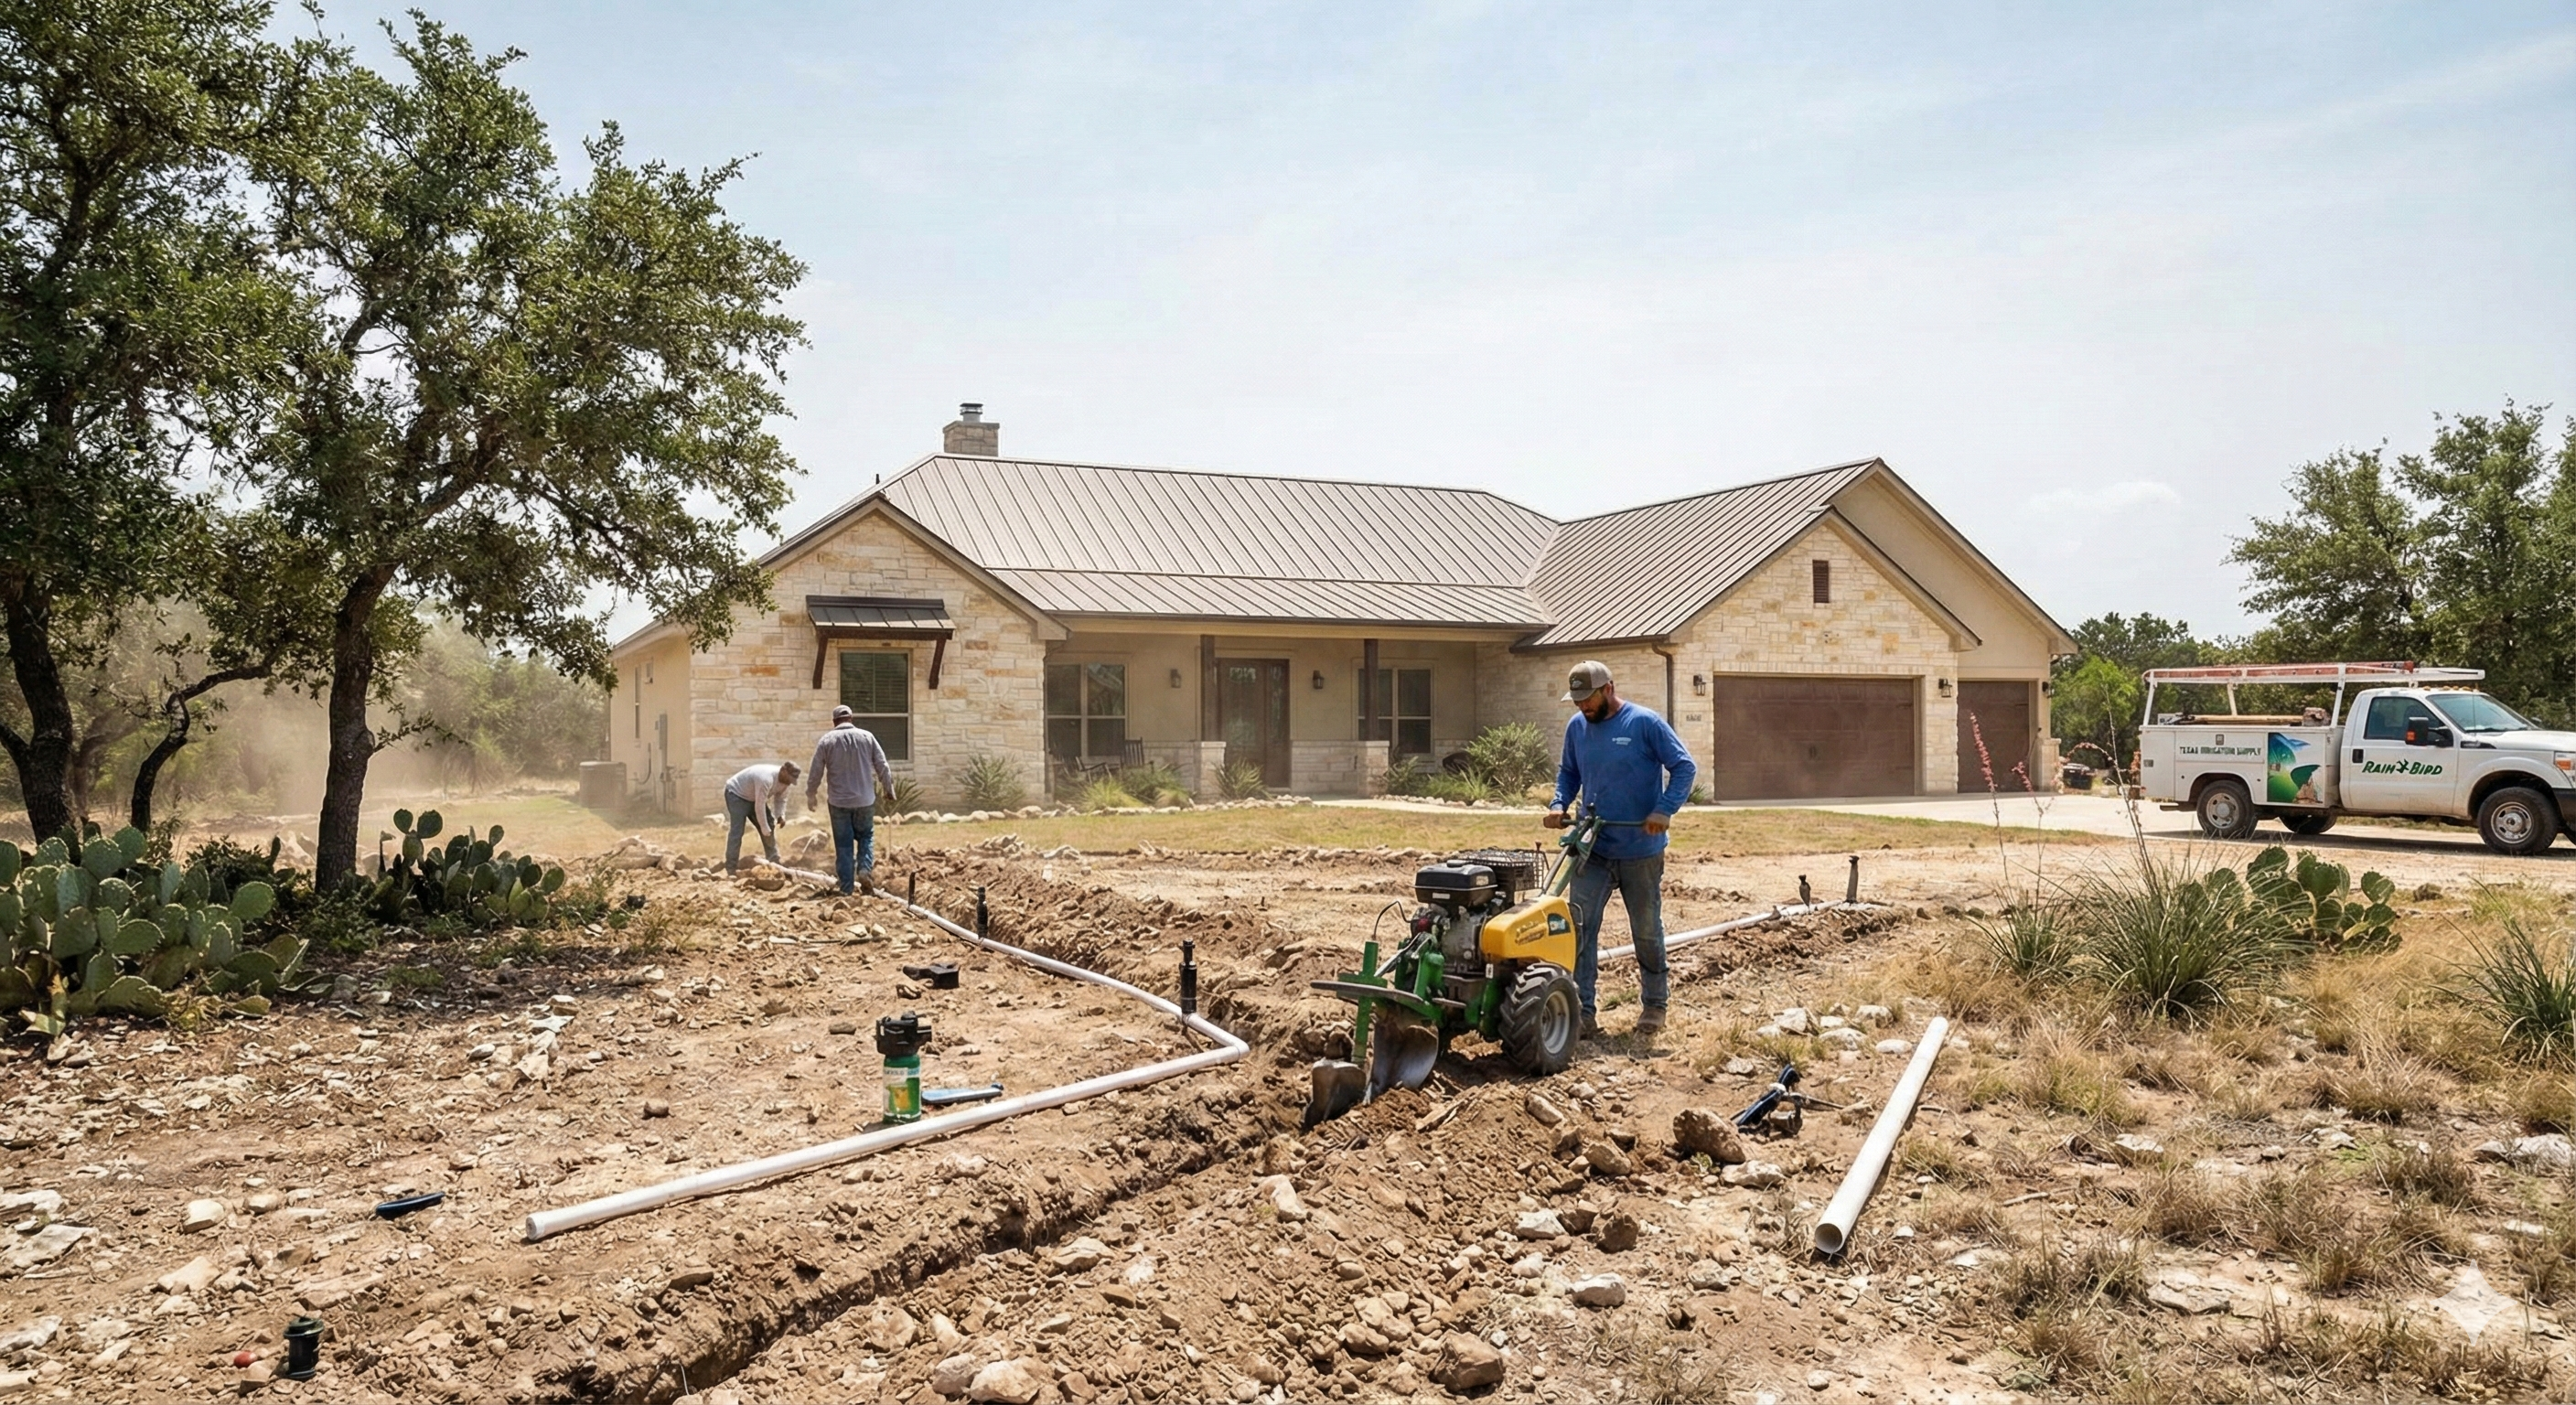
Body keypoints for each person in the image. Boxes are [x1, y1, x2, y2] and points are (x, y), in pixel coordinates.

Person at [1543, 660, 1697, 1040]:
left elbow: (1684, 767)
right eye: (1577, 700)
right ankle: (1582, 1011)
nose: (1582, 706)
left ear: (1608, 688)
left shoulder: (1644, 723)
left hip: (1640, 849)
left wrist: (1664, 809)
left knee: (1646, 929)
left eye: (1588, 698)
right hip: (1592, 847)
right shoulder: (1577, 727)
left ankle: (1655, 1004)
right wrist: (1559, 803)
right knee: (1580, 929)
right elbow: (1569, 772)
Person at [807, 703, 896, 896]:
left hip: (839, 802)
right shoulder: (867, 737)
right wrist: (888, 789)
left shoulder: (826, 741)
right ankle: (864, 870)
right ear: (851, 719)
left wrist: (811, 794)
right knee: (866, 836)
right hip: (865, 800)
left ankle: (846, 888)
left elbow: (815, 771)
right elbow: (882, 765)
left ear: (834, 722)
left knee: (844, 844)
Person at [722, 760, 799, 874]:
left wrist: (780, 815)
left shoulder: (786, 782)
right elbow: (759, 805)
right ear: (783, 770)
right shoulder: (766, 778)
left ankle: (774, 861)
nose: (789, 783)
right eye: (789, 778)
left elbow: (781, 799)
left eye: (792, 780)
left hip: (754, 797)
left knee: (769, 823)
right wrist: (764, 827)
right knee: (737, 830)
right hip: (736, 794)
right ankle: (731, 867)